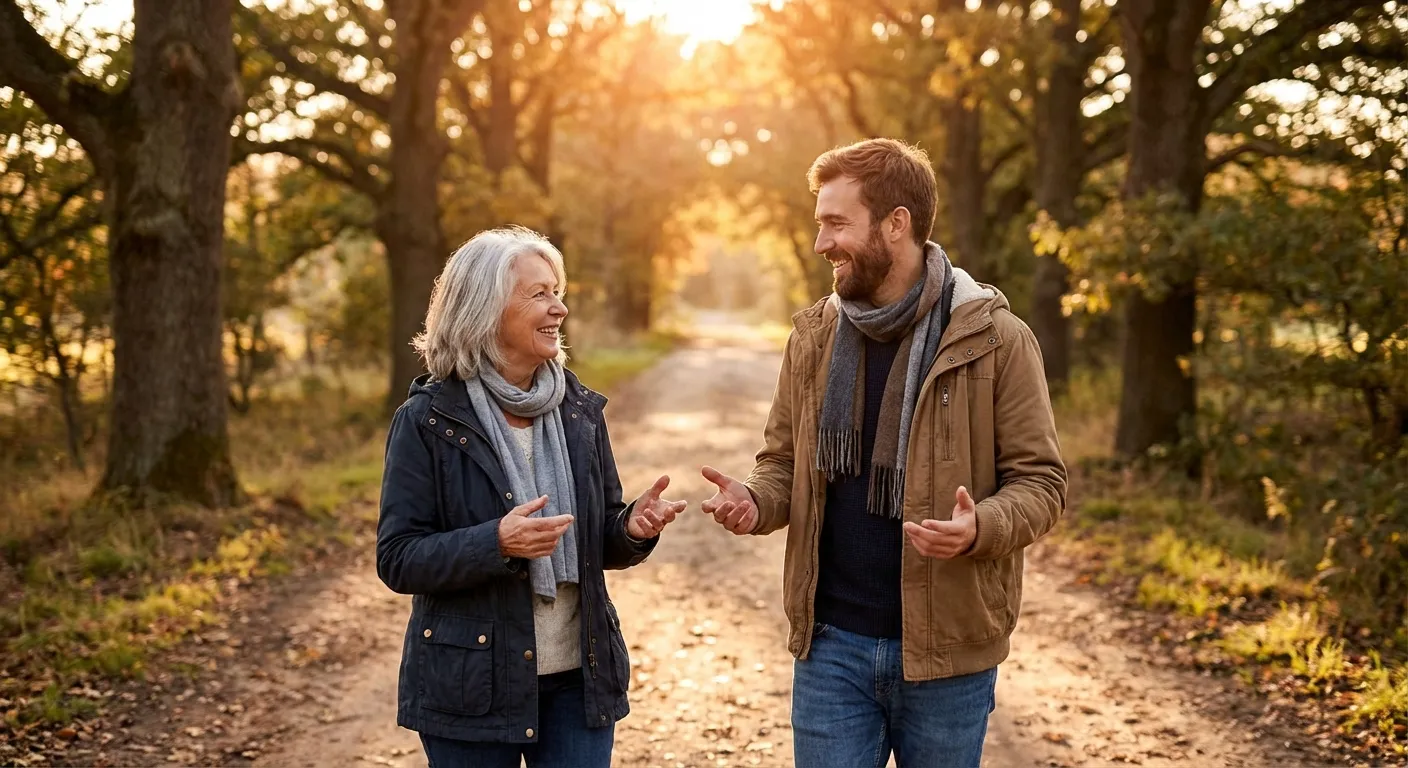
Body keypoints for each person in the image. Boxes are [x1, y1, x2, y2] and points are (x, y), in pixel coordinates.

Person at [698, 138, 1067, 768]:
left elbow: (1041, 482)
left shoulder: (995, 339)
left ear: (897, 224)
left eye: (837, 224)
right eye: (820, 224)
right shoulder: (815, 336)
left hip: (948, 651)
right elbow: (783, 460)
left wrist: (983, 525)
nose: (821, 244)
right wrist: (756, 502)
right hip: (831, 647)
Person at [376, 226, 686, 768]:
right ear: (484, 308)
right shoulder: (427, 420)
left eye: (557, 291)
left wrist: (630, 529)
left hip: (577, 682)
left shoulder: (578, 410)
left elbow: (598, 536)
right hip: (472, 689)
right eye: (539, 293)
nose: (559, 308)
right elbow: (398, 558)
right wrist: (496, 542)